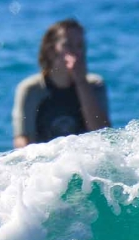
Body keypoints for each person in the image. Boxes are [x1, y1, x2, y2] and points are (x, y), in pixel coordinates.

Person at [12, 18, 111, 148]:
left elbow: (102, 134)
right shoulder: (31, 89)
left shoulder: (95, 85)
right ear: (51, 50)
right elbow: (22, 139)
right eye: (68, 45)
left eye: (80, 46)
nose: (76, 52)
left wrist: (81, 82)